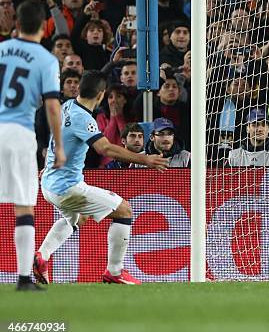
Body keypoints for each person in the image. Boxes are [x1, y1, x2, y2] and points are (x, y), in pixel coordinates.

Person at [33, 71, 169, 286]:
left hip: (49, 182)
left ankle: (42, 256)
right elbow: (104, 148)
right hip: (67, 187)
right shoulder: (84, 119)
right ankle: (114, 272)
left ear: (79, 89)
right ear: (101, 95)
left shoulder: (67, 106)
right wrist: (146, 159)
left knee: (79, 218)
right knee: (124, 210)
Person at [0, 0, 65, 291]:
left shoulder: (0, 51)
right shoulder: (46, 59)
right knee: (24, 206)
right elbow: (52, 106)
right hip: (18, 134)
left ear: (16, 23)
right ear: (43, 27)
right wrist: (58, 146)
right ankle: (24, 278)